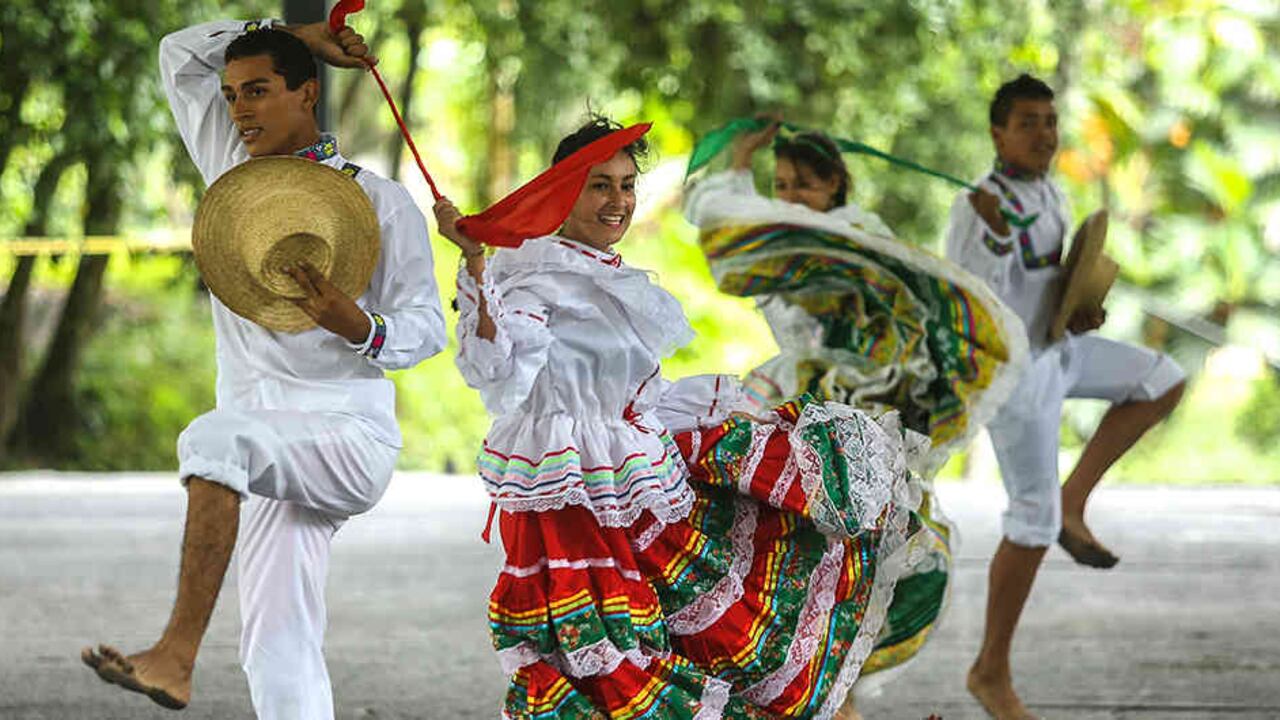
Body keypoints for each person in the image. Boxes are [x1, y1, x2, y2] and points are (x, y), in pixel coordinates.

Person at [434, 116, 931, 719]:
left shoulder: (598, 272)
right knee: (606, 661)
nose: (618, 201)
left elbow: (636, 393)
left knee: (685, 634)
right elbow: (498, 369)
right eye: (599, 186)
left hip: (631, 486)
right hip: (570, 502)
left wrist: (733, 423)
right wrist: (478, 270)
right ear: (562, 190)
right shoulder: (532, 278)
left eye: (625, 184)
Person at [80, 19, 447, 719]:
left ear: (307, 94)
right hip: (265, 446)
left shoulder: (380, 201)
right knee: (276, 642)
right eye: (230, 95)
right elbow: (174, 51)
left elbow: (428, 329)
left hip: (345, 438)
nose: (239, 109)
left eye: (258, 91)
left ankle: (175, 658)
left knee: (213, 440)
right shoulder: (231, 169)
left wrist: (361, 327)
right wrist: (296, 31)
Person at [684, 118, 1029, 718]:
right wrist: (740, 160)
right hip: (796, 401)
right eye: (782, 184)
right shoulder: (781, 241)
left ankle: (836, 684)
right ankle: (812, 686)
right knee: (782, 540)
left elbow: (911, 305)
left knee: (871, 541)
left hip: (860, 413)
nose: (792, 197)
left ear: (837, 184)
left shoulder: (853, 236)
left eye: (805, 186)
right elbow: (719, 214)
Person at [945, 74, 1185, 720]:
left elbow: (1050, 286)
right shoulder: (975, 205)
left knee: (1162, 377)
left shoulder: (1050, 191)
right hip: (1013, 373)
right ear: (997, 133)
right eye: (1028, 122)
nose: (1044, 134)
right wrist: (992, 234)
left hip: (1058, 349)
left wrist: (1079, 309)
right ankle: (989, 672)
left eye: (1050, 121)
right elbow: (965, 304)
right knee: (1031, 520)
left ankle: (1074, 500)